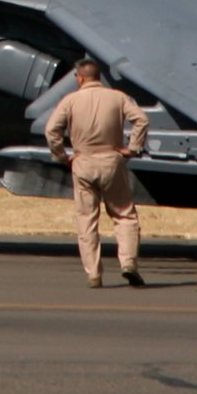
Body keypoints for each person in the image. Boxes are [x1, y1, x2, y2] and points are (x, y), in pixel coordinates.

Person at [45, 58, 150, 288]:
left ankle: (93, 273)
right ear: (98, 77)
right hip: (112, 159)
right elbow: (141, 119)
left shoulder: (70, 100)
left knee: (87, 220)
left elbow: (52, 130)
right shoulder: (117, 97)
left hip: (83, 161)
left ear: (80, 77)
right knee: (124, 215)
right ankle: (128, 263)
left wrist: (62, 156)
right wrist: (133, 148)